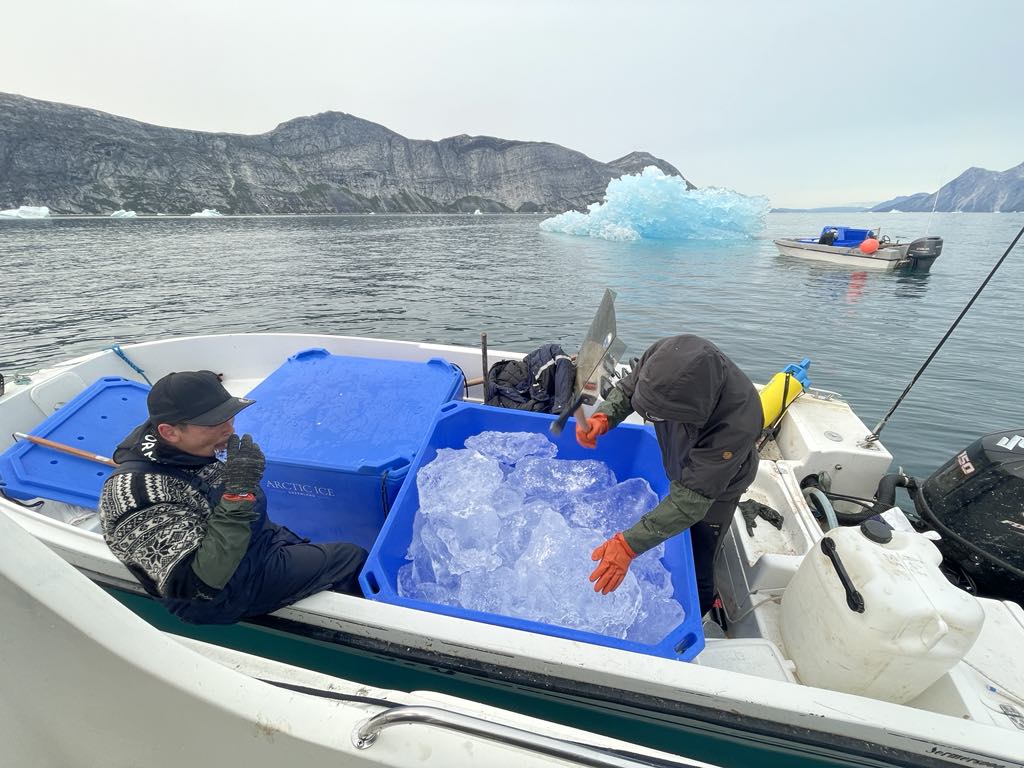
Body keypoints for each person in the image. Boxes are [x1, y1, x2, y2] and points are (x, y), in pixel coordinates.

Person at [99, 370, 367, 624]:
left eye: (229, 416)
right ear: (170, 431)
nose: (228, 429)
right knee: (351, 557)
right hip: (219, 593)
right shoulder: (136, 498)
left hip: (249, 549)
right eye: (213, 422)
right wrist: (239, 494)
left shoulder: (191, 450)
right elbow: (196, 584)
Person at [576, 335, 762, 618]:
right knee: (679, 516)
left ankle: (701, 611)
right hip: (681, 461)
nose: (651, 418)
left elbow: (691, 501)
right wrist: (604, 417)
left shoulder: (736, 423)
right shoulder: (665, 356)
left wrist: (627, 545)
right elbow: (629, 389)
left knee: (701, 553)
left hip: (719, 486)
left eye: (658, 415)